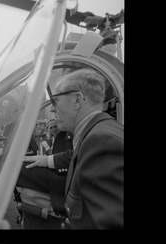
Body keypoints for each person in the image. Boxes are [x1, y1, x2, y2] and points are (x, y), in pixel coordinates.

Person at [49, 68, 123, 229]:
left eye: (55, 101)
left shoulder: (101, 141)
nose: (51, 109)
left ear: (77, 100)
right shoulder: (102, 131)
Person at [16, 123, 73, 214]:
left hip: (65, 180)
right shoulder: (59, 136)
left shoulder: (62, 136)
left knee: (17, 169)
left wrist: (48, 156)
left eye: (55, 126)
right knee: (19, 166)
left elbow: (74, 157)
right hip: (60, 171)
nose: (54, 129)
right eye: (51, 127)